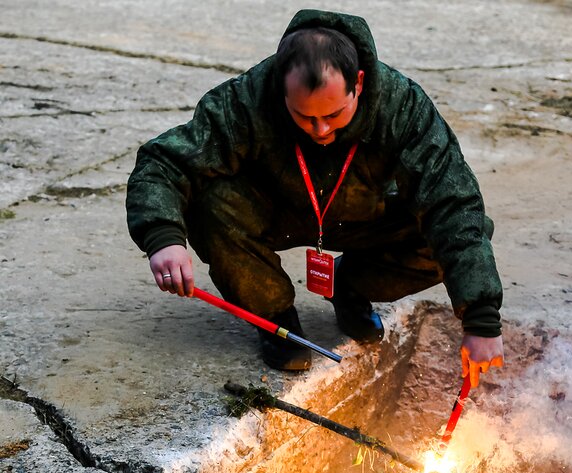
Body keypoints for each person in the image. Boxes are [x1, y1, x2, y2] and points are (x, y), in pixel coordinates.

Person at [126, 9, 504, 386]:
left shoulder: (402, 106)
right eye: (304, 116)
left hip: (365, 216)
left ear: (358, 82)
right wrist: (163, 237)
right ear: (280, 86)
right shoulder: (248, 97)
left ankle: (350, 286)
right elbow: (166, 160)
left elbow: (453, 204)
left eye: (334, 115)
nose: (320, 130)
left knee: (445, 237)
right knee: (211, 204)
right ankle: (275, 319)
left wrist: (481, 319)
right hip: (277, 209)